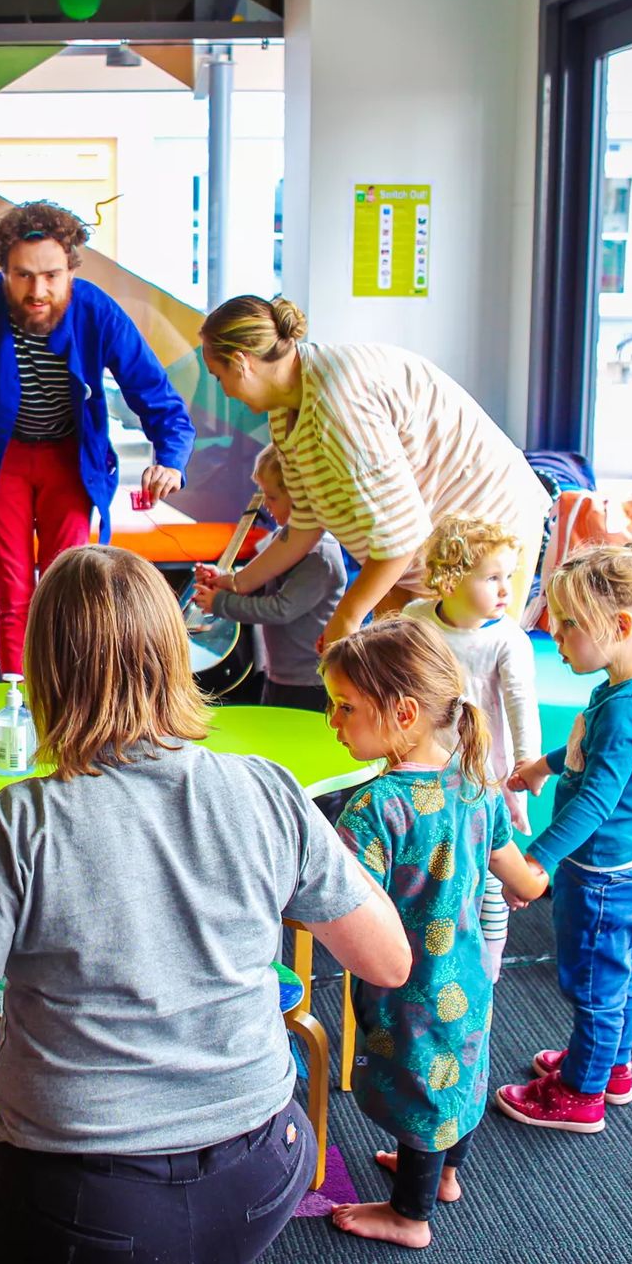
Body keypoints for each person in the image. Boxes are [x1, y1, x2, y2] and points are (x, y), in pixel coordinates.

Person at [0, 543, 412, 1264]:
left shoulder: (22, 822)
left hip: (86, 1205)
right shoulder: (266, 789)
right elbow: (388, 960)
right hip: (263, 1171)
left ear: (45, 671)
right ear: (173, 655)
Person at [0, 201, 196, 675]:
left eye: (51, 275)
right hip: (3, 461)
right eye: (23, 276)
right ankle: (18, 709)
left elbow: (157, 398)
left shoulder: (97, 313)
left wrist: (169, 459)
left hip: (69, 461)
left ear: (71, 268)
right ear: (3, 270)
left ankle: (65, 705)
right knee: (13, 596)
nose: (38, 290)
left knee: (64, 590)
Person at [321, 618, 548, 1249]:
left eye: (344, 707)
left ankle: (410, 1217)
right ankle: (445, 1174)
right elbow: (517, 875)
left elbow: (341, 904)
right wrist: (539, 885)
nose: (332, 723)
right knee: (461, 1071)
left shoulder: (374, 809)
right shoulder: (476, 783)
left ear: (403, 712)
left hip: (407, 990)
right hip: (470, 977)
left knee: (416, 1085)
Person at [496, 537, 632, 1133]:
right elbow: (596, 756)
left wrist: (537, 861)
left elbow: (596, 799)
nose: (554, 638)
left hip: (602, 878)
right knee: (621, 973)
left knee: (592, 985)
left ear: (616, 625)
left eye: (565, 628)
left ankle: (580, 1094)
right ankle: (613, 1065)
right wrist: (544, 765)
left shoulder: (627, 707)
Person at [199, 295, 549, 651]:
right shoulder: (285, 406)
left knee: (458, 676)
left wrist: (348, 616)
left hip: (483, 524)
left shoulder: (337, 402)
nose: (223, 391)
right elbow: (305, 521)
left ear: (241, 363)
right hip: (419, 545)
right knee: (400, 675)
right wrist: (239, 582)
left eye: (218, 376)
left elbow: (401, 537)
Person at [403, 514, 541, 980]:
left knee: (488, 873)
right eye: (493, 578)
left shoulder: (507, 639)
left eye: (510, 577)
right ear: (451, 578)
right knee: (432, 858)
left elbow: (522, 703)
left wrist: (527, 762)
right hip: (426, 764)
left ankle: (488, 963)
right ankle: (427, 949)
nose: (506, 590)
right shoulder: (417, 618)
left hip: (486, 773)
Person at [192, 442, 346, 711]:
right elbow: (260, 585)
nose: (266, 505)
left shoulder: (320, 556)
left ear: (300, 498)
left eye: (272, 497)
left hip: (311, 680)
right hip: (279, 673)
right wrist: (224, 579)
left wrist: (221, 603)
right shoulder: (281, 540)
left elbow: (281, 608)